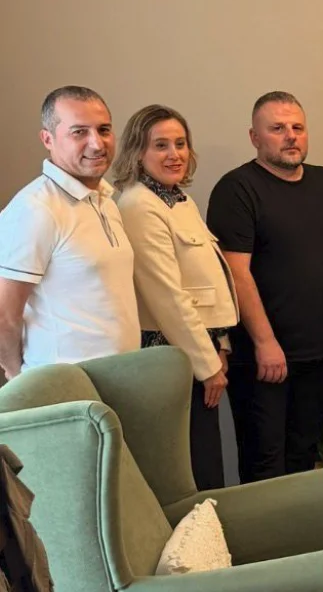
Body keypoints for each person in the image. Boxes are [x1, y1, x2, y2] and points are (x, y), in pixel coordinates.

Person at [207, 91, 323, 483]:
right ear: (254, 137)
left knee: (304, 455)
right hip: (262, 357)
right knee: (264, 465)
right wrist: (265, 342)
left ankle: (301, 526)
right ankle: (267, 530)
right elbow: (236, 273)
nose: (290, 136)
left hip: (316, 352)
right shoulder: (237, 189)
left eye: (297, 127)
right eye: (277, 128)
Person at [113, 105, 239, 491]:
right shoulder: (138, 205)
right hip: (169, 359)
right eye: (161, 145)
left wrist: (219, 344)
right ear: (138, 153)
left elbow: (208, 283)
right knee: (190, 474)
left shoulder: (179, 200)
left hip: (196, 352)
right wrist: (208, 365)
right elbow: (167, 297)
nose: (174, 154)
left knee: (207, 467)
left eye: (180, 144)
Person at [0, 86, 138, 381]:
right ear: (47, 139)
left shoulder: (105, 201)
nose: (97, 144)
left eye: (104, 130)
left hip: (119, 380)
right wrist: (18, 377)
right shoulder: (35, 208)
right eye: (79, 132)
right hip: (64, 387)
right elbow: (4, 315)